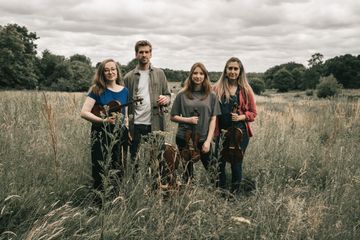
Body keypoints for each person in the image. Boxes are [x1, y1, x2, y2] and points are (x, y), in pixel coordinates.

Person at [80, 59, 129, 192]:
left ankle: (115, 198)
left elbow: (125, 115)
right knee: (99, 167)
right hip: (101, 133)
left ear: (117, 71)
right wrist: (103, 121)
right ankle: (99, 200)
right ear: (102, 73)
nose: (110, 72)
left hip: (119, 132)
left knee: (117, 165)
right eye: (106, 70)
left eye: (113, 69)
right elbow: (84, 113)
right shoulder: (97, 90)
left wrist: (127, 129)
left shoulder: (125, 91)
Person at [170, 62, 221, 182]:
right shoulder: (182, 94)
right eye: (195, 73)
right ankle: (188, 196)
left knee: (213, 171)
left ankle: (216, 196)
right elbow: (173, 116)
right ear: (191, 75)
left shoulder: (211, 95)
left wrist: (208, 141)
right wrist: (188, 120)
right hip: (184, 138)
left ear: (205, 76)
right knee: (188, 173)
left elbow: (213, 119)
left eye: (201, 73)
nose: (198, 76)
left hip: (203, 138)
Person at [213, 57, 257, 195]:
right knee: (219, 162)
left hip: (240, 132)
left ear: (240, 71)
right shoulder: (217, 89)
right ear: (225, 70)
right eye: (230, 68)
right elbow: (211, 113)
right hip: (222, 131)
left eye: (235, 69)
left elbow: (253, 113)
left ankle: (235, 194)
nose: (232, 71)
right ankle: (221, 192)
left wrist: (241, 116)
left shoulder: (245, 90)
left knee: (236, 163)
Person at [123, 40, 171, 162]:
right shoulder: (128, 77)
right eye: (141, 52)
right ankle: (136, 181)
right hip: (136, 124)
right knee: (135, 161)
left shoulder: (160, 74)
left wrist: (166, 99)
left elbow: (168, 95)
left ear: (151, 54)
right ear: (136, 54)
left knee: (156, 160)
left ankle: (155, 182)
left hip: (155, 124)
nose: (144, 54)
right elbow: (125, 103)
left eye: (146, 52)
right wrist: (127, 126)